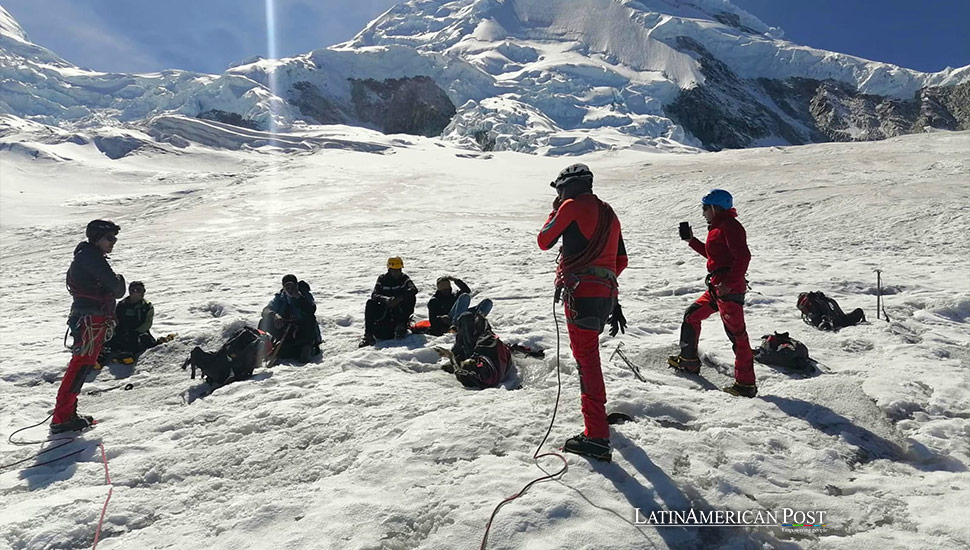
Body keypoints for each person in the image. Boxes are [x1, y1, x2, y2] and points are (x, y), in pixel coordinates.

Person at [537, 163, 628, 462]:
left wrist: (556, 210)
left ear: (566, 187)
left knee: (586, 362)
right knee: (590, 359)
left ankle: (596, 435)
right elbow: (621, 260)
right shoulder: (609, 212)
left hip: (581, 295)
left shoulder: (572, 206)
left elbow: (544, 240)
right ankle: (597, 423)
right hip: (605, 296)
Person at [668, 189, 757, 398]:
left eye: (705, 208)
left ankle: (746, 385)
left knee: (737, 336)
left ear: (715, 207)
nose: (703, 213)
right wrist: (691, 241)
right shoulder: (719, 227)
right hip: (718, 289)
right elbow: (715, 256)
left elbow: (743, 257)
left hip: (728, 290)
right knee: (691, 315)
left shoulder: (730, 226)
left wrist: (728, 284)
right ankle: (688, 361)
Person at [52, 220, 126, 433]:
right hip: (91, 320)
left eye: (114, 238)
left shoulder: (87, 257)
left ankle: (65, 414)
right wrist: (119, 280)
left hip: (88, 318)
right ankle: (63, 417)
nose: (113, 242)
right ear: (97, 238)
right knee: (81, 365)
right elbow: (117, 288)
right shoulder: (91, 258)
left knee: (81, 364)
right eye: (109, 238)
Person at [258, 274, 322, 363]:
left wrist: (299, 299)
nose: (290, 289)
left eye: (292, 286)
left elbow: (311, 309)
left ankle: (307, 347)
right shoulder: (280, 297)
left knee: (310, 319)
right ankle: (264, 347)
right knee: (264, 322)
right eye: (287, 287)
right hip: (285, 327)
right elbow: (266, 310)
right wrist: (274, 315)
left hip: (301, 329)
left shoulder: (304, 295)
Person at [359, 257, 419, 347]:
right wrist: (385, 299)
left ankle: (402, 324)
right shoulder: (382, 279)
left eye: (399, 270)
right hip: (384, 311)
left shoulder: (404, 278)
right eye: (394, 270)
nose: (397, 272)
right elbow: (375, 294)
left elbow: (413, 289)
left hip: (399, 311)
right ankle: (368, 335)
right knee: (371, 303)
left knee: (411, 297)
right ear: (389, 269)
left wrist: (399, 299)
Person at [448, 309, 512, 389]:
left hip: (479, 358)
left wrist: (453, 358)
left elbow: (458, 349)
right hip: (494, 364)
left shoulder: (475, 342)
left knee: (465, 319)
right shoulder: (484, 333)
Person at [101, 281, 156, 364]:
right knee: (110, 339)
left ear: (143, 292)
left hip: (138, 332)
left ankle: (128, 354)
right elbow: (115, 319)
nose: (135, 292)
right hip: (122, 331)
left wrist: (135, 332)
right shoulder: (122, 305)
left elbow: (147, 324)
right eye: (133, 290)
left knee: (141, 339)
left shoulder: (147, 306)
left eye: (138, 290)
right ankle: (101, 356)